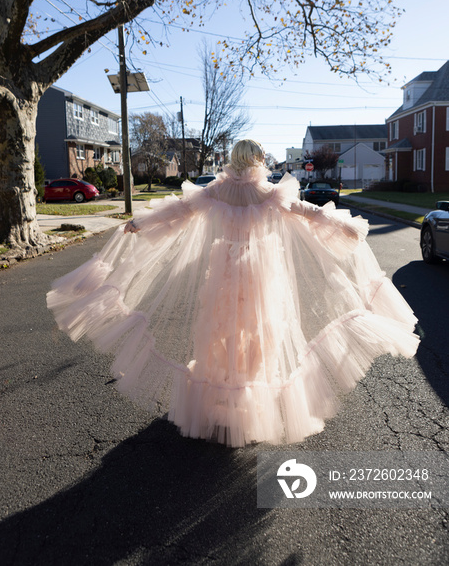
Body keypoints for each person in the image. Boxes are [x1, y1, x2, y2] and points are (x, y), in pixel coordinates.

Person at [47, 139, 419, 447]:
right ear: (257, 160)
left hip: (225, 268)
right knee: (261, 331)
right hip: (260, 270)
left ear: (232, 161)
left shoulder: (217, 190)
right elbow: (306, 211)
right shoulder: (270, 193)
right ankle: (250, 397)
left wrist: (140, 223)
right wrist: (344, 226)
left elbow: (179, 211)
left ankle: (222, 397)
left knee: (219, 331)